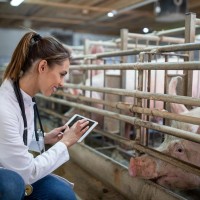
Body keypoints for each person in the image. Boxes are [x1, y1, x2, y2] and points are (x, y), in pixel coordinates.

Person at [0, 31, 90, 200]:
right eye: (62, 74)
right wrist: (65, 143)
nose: (62, 83)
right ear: (42, 67)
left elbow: (18, 139)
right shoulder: (4, 107)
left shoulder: (25, 98)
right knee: (11, 183)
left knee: (63, 194)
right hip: (9, 177)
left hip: (16, 171)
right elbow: (27, 172)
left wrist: (45, 139)